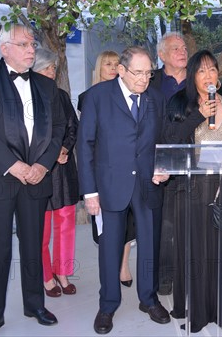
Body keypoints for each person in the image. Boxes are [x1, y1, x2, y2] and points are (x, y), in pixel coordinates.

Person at [0, 24, 65, 337]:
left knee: (34, 246)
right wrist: (14, 165)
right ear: (4, 48)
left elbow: (58, 128)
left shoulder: (47, 86)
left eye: (32, 44)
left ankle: (34, 304)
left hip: (36, 179)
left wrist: (43, 166)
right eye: (23, 44)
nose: (32, 49)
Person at [163, 50, 222, 333]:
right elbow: (171, 142)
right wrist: (198, 116)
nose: (209, 76)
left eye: (213, 70)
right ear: (193, 75)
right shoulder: (180, 103)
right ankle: (199, 308)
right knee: (196, 249)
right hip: (191, 191)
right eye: (202, 71)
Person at [78, 46, 170, 334]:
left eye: (149, 73)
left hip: (147, 184)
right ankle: (107, 305)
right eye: (138, 73)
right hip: (109, 185)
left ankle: (149, 298)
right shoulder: (97, 97)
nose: (144, 79)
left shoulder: (156, 98)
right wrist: (90, 192)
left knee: (149, 244)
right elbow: (85, 146)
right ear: (121, 70)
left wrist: (163, 166)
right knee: (110, 246)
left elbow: (163, 140)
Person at [78, 51, 136, 288]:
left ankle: (123, 265)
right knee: (106, 230)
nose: (113, 68)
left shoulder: (133, 95)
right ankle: (109, 275)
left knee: (129, 227)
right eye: (108, 64)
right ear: (99, 68)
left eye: (117, 64)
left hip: (129, 175)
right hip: (103, 175)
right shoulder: (88, 97)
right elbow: (85, 142)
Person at [33, 48, 80, 298]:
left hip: (63, 169)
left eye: (53, 68)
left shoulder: (62, 96)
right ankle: (46, 277)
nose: (52, 72)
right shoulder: (25, 97)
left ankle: (62, 272)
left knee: (66, 226)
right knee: (41, 230)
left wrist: (64, 148)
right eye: (47, 68)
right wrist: (49, 155)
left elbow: (74, 127)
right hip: (39, 172)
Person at [152, 31, 188, 295]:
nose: (182, 51)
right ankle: (164, 276)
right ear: (162, 55)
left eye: (184, 47)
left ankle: (192, 273)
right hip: (158, 162)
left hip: (193, 160)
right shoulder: (150, 80)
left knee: (191, 219)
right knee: (163, 222)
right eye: (175, 48)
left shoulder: (200, 80)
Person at [153, 31, 188, 98]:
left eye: (185, 48)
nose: (183, 52)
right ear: (162, 55)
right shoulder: (150, 80)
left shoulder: (197, 78)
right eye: (176, 49)